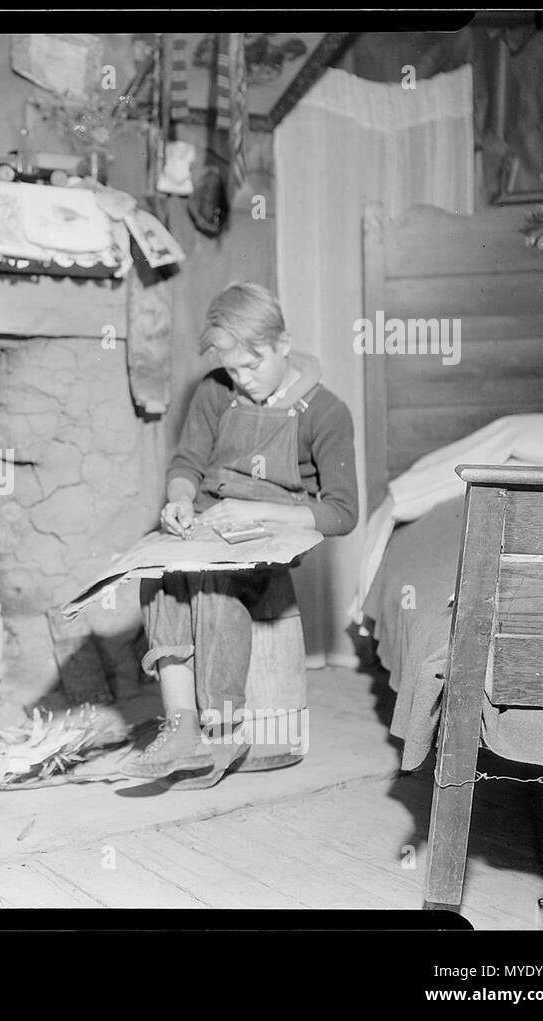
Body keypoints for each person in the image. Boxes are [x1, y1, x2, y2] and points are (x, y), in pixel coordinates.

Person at [122, 282, 358, 788]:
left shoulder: (327, 411)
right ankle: (182, 725)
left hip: (270, 532)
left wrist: (249, 508)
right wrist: (180, 500)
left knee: (213, 587)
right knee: (159, 578)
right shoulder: (214, 392)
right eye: (233, 370)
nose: (243, 379)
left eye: (253, 365)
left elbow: (342, 513)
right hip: (209, 520)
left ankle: (223, 727)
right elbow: (187, 462)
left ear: (283, 343)